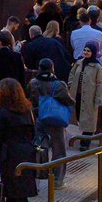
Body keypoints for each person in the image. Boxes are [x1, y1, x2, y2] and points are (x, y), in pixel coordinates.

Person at [0, 79, 39, 202]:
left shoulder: (2, 112)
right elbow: (33, 132)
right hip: (26, 152)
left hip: (9, 153)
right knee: (14, 187)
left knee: (16, 191)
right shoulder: (26, 109)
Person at [28, 58, 74, 186]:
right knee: (59, 150)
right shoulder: (59, 85)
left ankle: (39, 174)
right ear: (52, 68)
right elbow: (68, 100)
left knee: (40, 146)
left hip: (39, 119)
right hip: (55, 120)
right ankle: (57, 180)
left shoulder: (33, 83)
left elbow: (29, 100)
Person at [69, 44, 102, 148]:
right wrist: (71, 84)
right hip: (77, 95)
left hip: (90, 97)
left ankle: (85, 143)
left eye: (88, 51)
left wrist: (98, 98)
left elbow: (100, 84)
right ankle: (82, 137)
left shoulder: (97, 67)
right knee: (78, 116)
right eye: (85, 50)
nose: (86, 52)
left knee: (89, 120)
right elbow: (72, 74)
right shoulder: (79, 63)